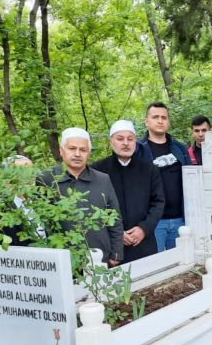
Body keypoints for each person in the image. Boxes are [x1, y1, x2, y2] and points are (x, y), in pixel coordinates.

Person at [39, 128, 123, 266]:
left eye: (83, 150)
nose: (77, 154)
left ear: (88, 153)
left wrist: (116, 253)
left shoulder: (103, 179)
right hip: (61, 259)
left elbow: (115, 217)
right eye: (72, 148)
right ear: (61, 150)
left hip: (99, 257)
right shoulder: (46, 179)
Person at [92, 120, 166, 264]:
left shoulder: (149, 170)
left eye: (130, 139)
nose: (125, 143)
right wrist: (117, 233)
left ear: (135, 142)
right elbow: (94, 208)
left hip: (144, 243)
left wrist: (143, 229)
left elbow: (158, 203)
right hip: (112, 247)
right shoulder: (97, 170)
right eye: (120, 139)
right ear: (111, 141)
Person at [134, 102, 190, 251]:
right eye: (155, 117)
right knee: (156, 266)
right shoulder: (138, 150)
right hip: (153, 222)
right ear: (146, 121)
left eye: (164, 117)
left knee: (181, 266)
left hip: (181, 220)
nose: (160, 121)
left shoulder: (180, 148)